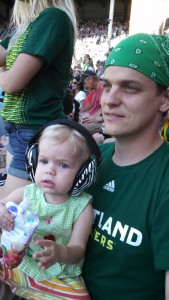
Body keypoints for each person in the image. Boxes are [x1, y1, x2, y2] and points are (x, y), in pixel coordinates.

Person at [82, 33, 169, 300]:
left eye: (130, 88)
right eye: (107, 86)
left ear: (164, 99)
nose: (109, 100)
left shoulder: (163, 179)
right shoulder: (94, 158)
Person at [0, 119, 101, 299]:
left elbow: (78, 249)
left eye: (63, 165)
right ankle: (15, 281)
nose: (50, 171)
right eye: (44, 161)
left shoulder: (82, 208)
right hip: (17, 261)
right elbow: (1, 204)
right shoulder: (28, 192)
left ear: (82, 174)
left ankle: (25, 287)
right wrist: (2, 212)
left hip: (56, 272)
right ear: (33, 161)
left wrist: (60, 252)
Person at [0, 0, 77, 198]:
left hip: (34, 131)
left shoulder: (53, 18)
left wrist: (3, 69)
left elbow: (11, 83)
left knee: (9, 212)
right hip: (19, 129)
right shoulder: (31, 25)